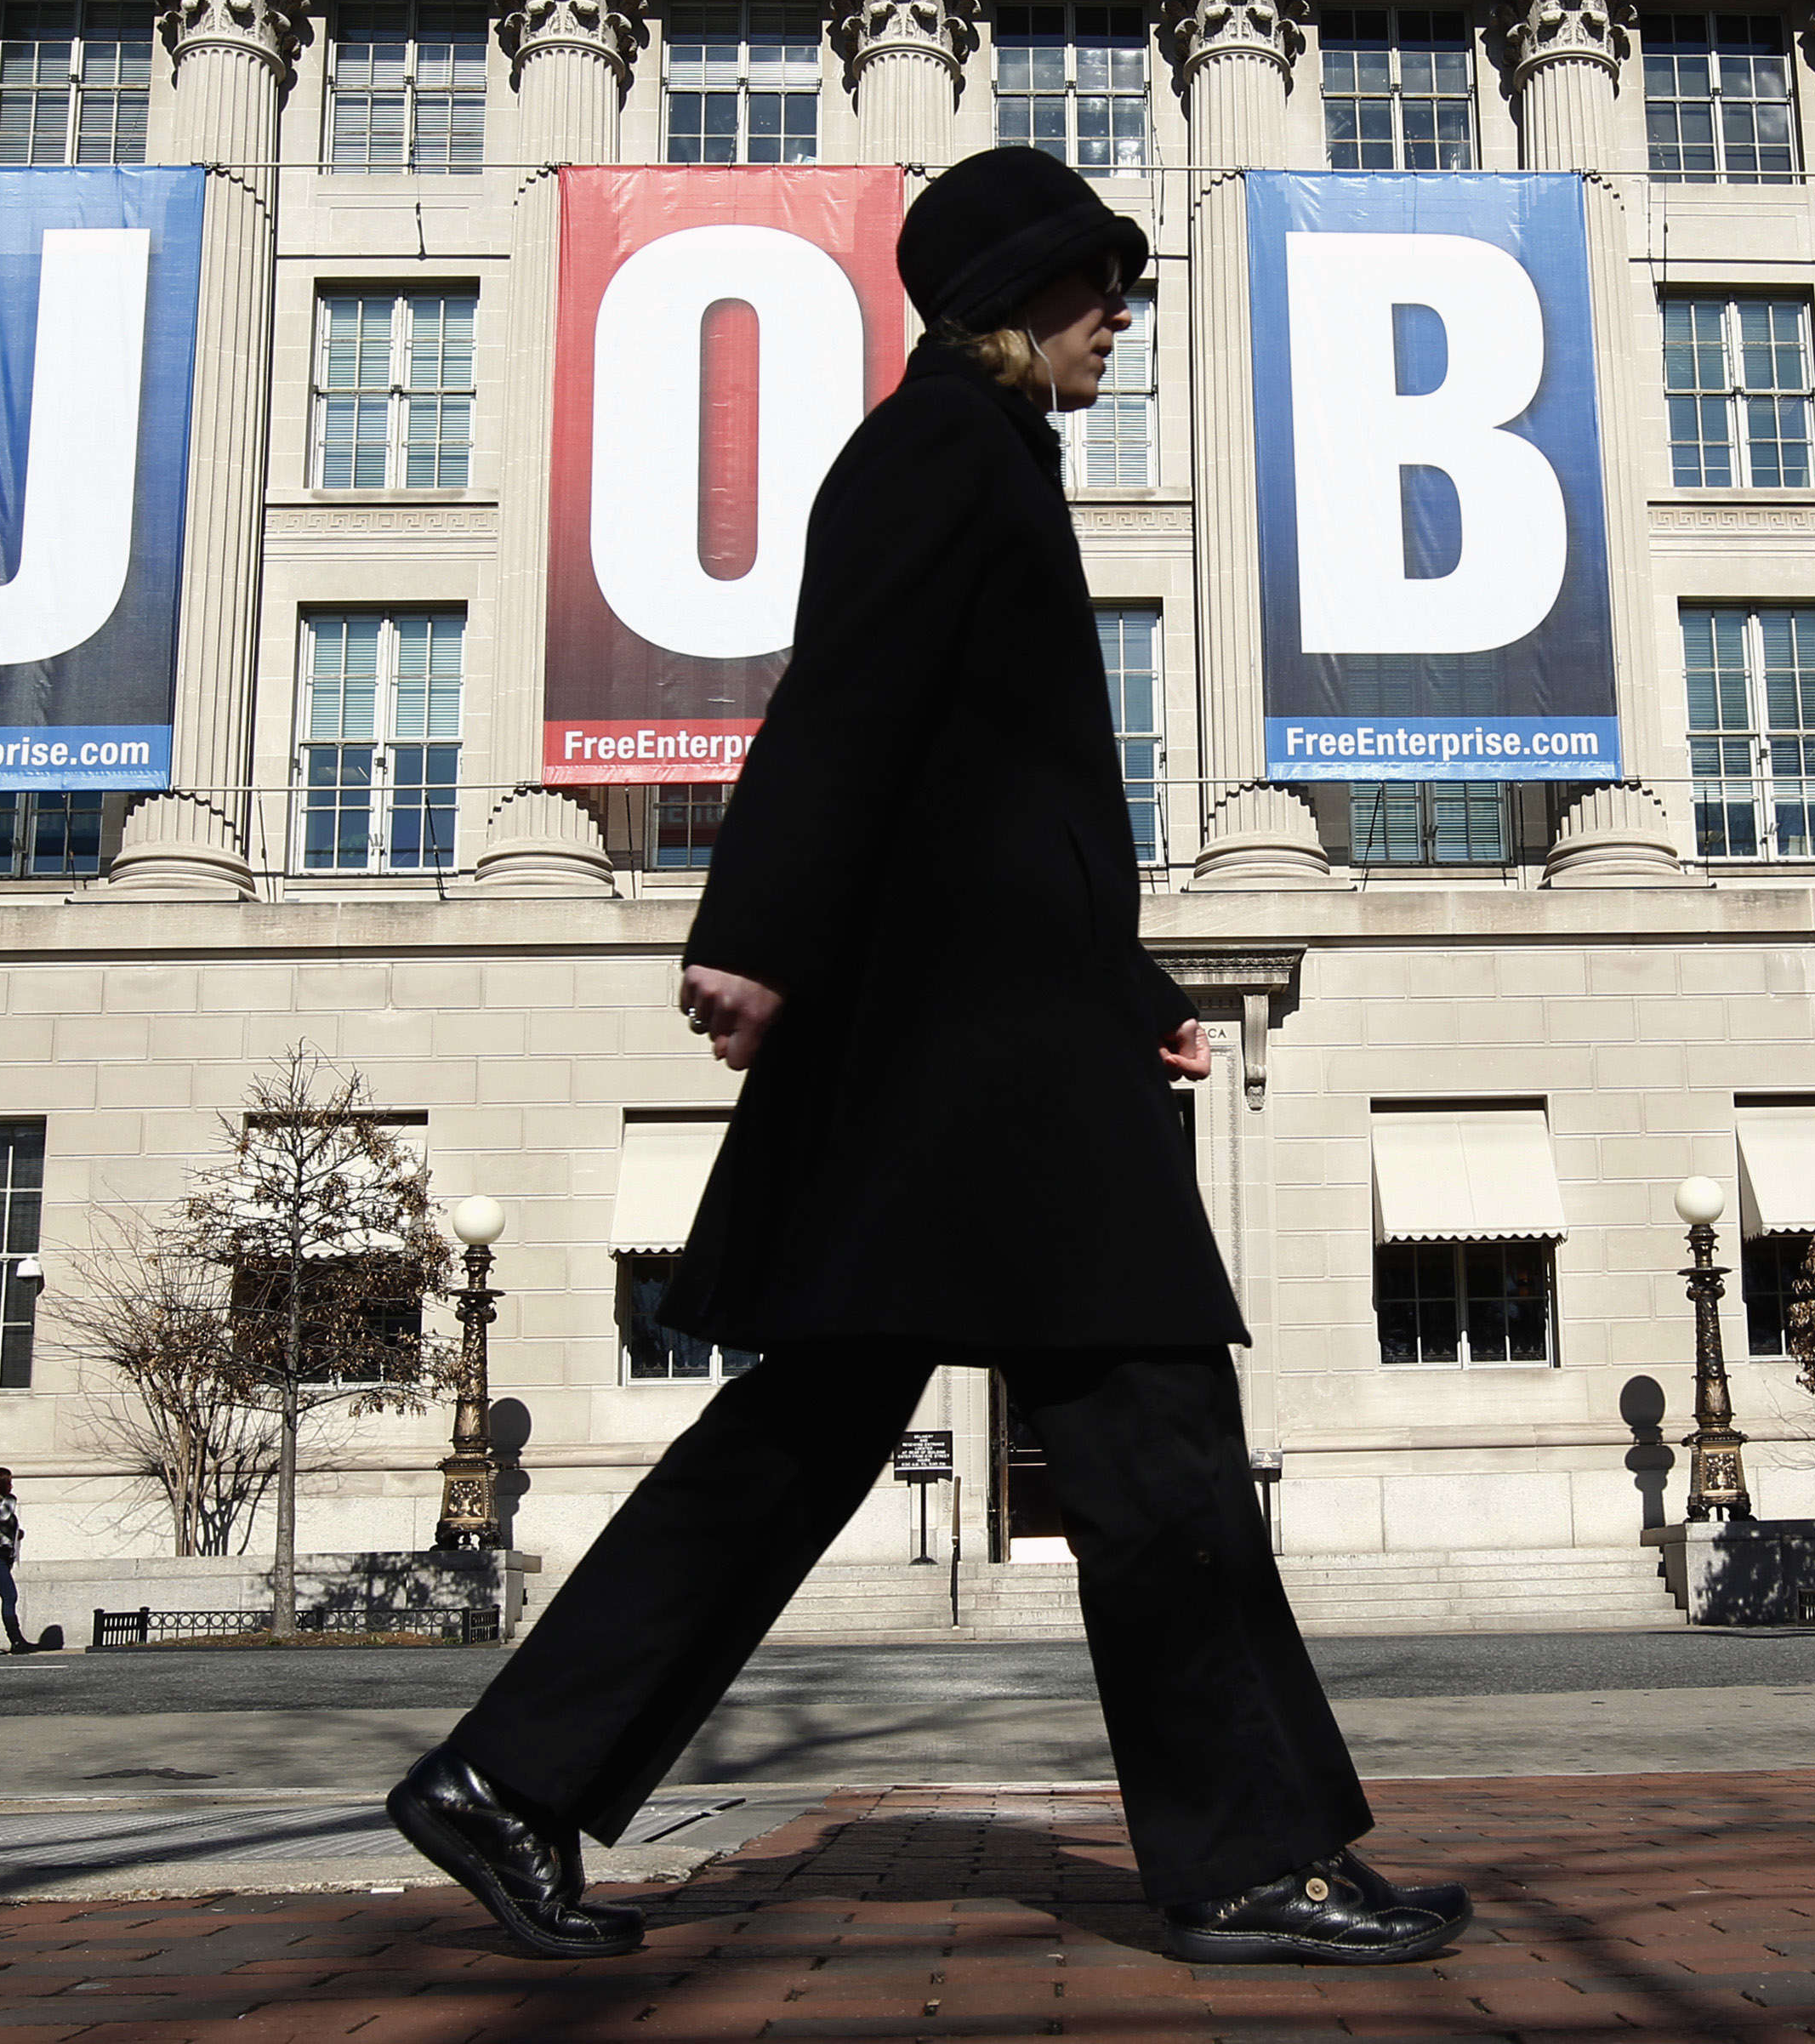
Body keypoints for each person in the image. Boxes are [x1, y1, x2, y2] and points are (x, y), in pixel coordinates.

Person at [388, 147, 1471, 1969]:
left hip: (998, 1049)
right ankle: (1243, 1854)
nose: (1120, 318)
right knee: (1158, 1440)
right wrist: (753, 931)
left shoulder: (993, 460)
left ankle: (513, 1777)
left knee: (815, 1430)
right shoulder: (941, 454)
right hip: (981, 1077)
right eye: (1097, 287)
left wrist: (1127, 984)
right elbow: (846, 698)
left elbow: (1004, 797)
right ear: (1016, 296)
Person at [0, 1466, 33, 1655]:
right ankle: (16, 1640)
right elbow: (0, 1518)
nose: (11, 1485)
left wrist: (16, 1534)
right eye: (8, 1482)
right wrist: (11, 1499)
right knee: (10, 1596)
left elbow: (1, 1527)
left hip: (2, 1557)